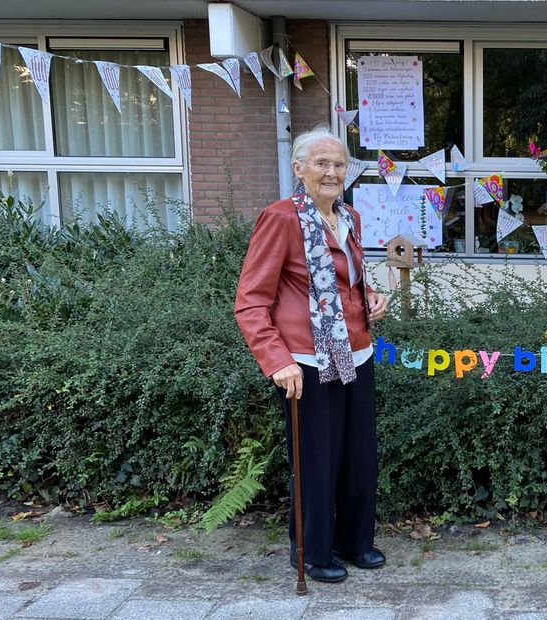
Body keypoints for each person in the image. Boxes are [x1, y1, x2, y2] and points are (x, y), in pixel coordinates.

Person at [234, 126, 388, 583]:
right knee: (317, 459)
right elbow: (250, 300)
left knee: (359, 458)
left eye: (339, 164)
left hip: (356, 354)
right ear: (298, 168)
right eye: (321, 163)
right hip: (305, 359)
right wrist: (276, 360)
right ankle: (313, 552)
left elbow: (342, 282)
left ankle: (354, 541)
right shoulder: (280, 218)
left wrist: (369, 295)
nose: (332, 172)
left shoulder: (350, 218)